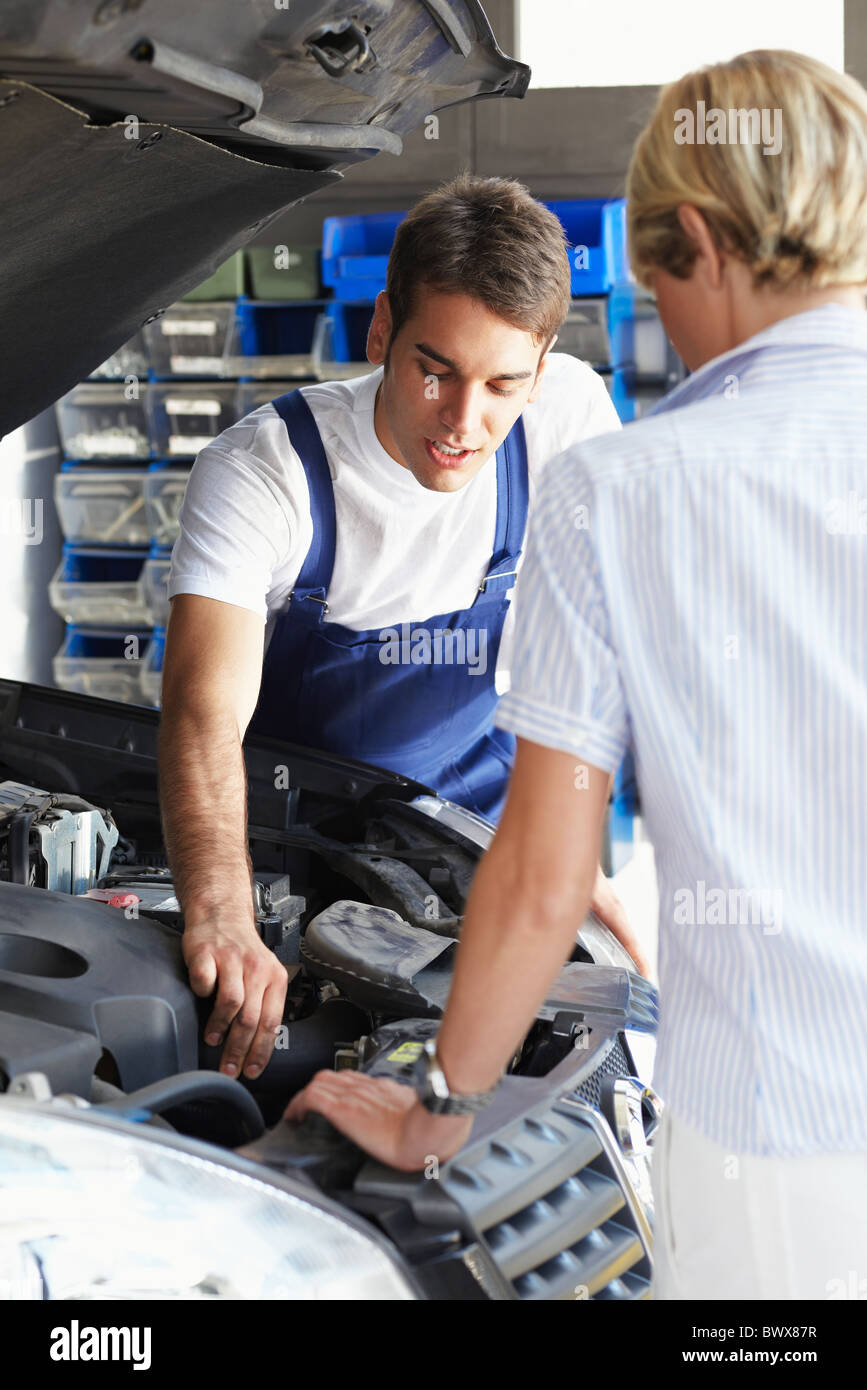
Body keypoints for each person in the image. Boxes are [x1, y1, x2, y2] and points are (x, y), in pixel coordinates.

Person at [287, 49, 867, 1301]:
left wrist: (437, 1109)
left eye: (656, 280)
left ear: (698, 242)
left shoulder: (628, 488)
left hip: (793, 1141)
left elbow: (545, 872)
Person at [158, 175, 636, 1085]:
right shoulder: (266, 473)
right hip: (300, 859)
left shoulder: (564, 415)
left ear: (540, 366)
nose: (465, 423)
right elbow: (199, 717)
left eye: (503, 384)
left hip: (477, 839)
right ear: (381, 328)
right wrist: (220, 913)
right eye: (435, 369)